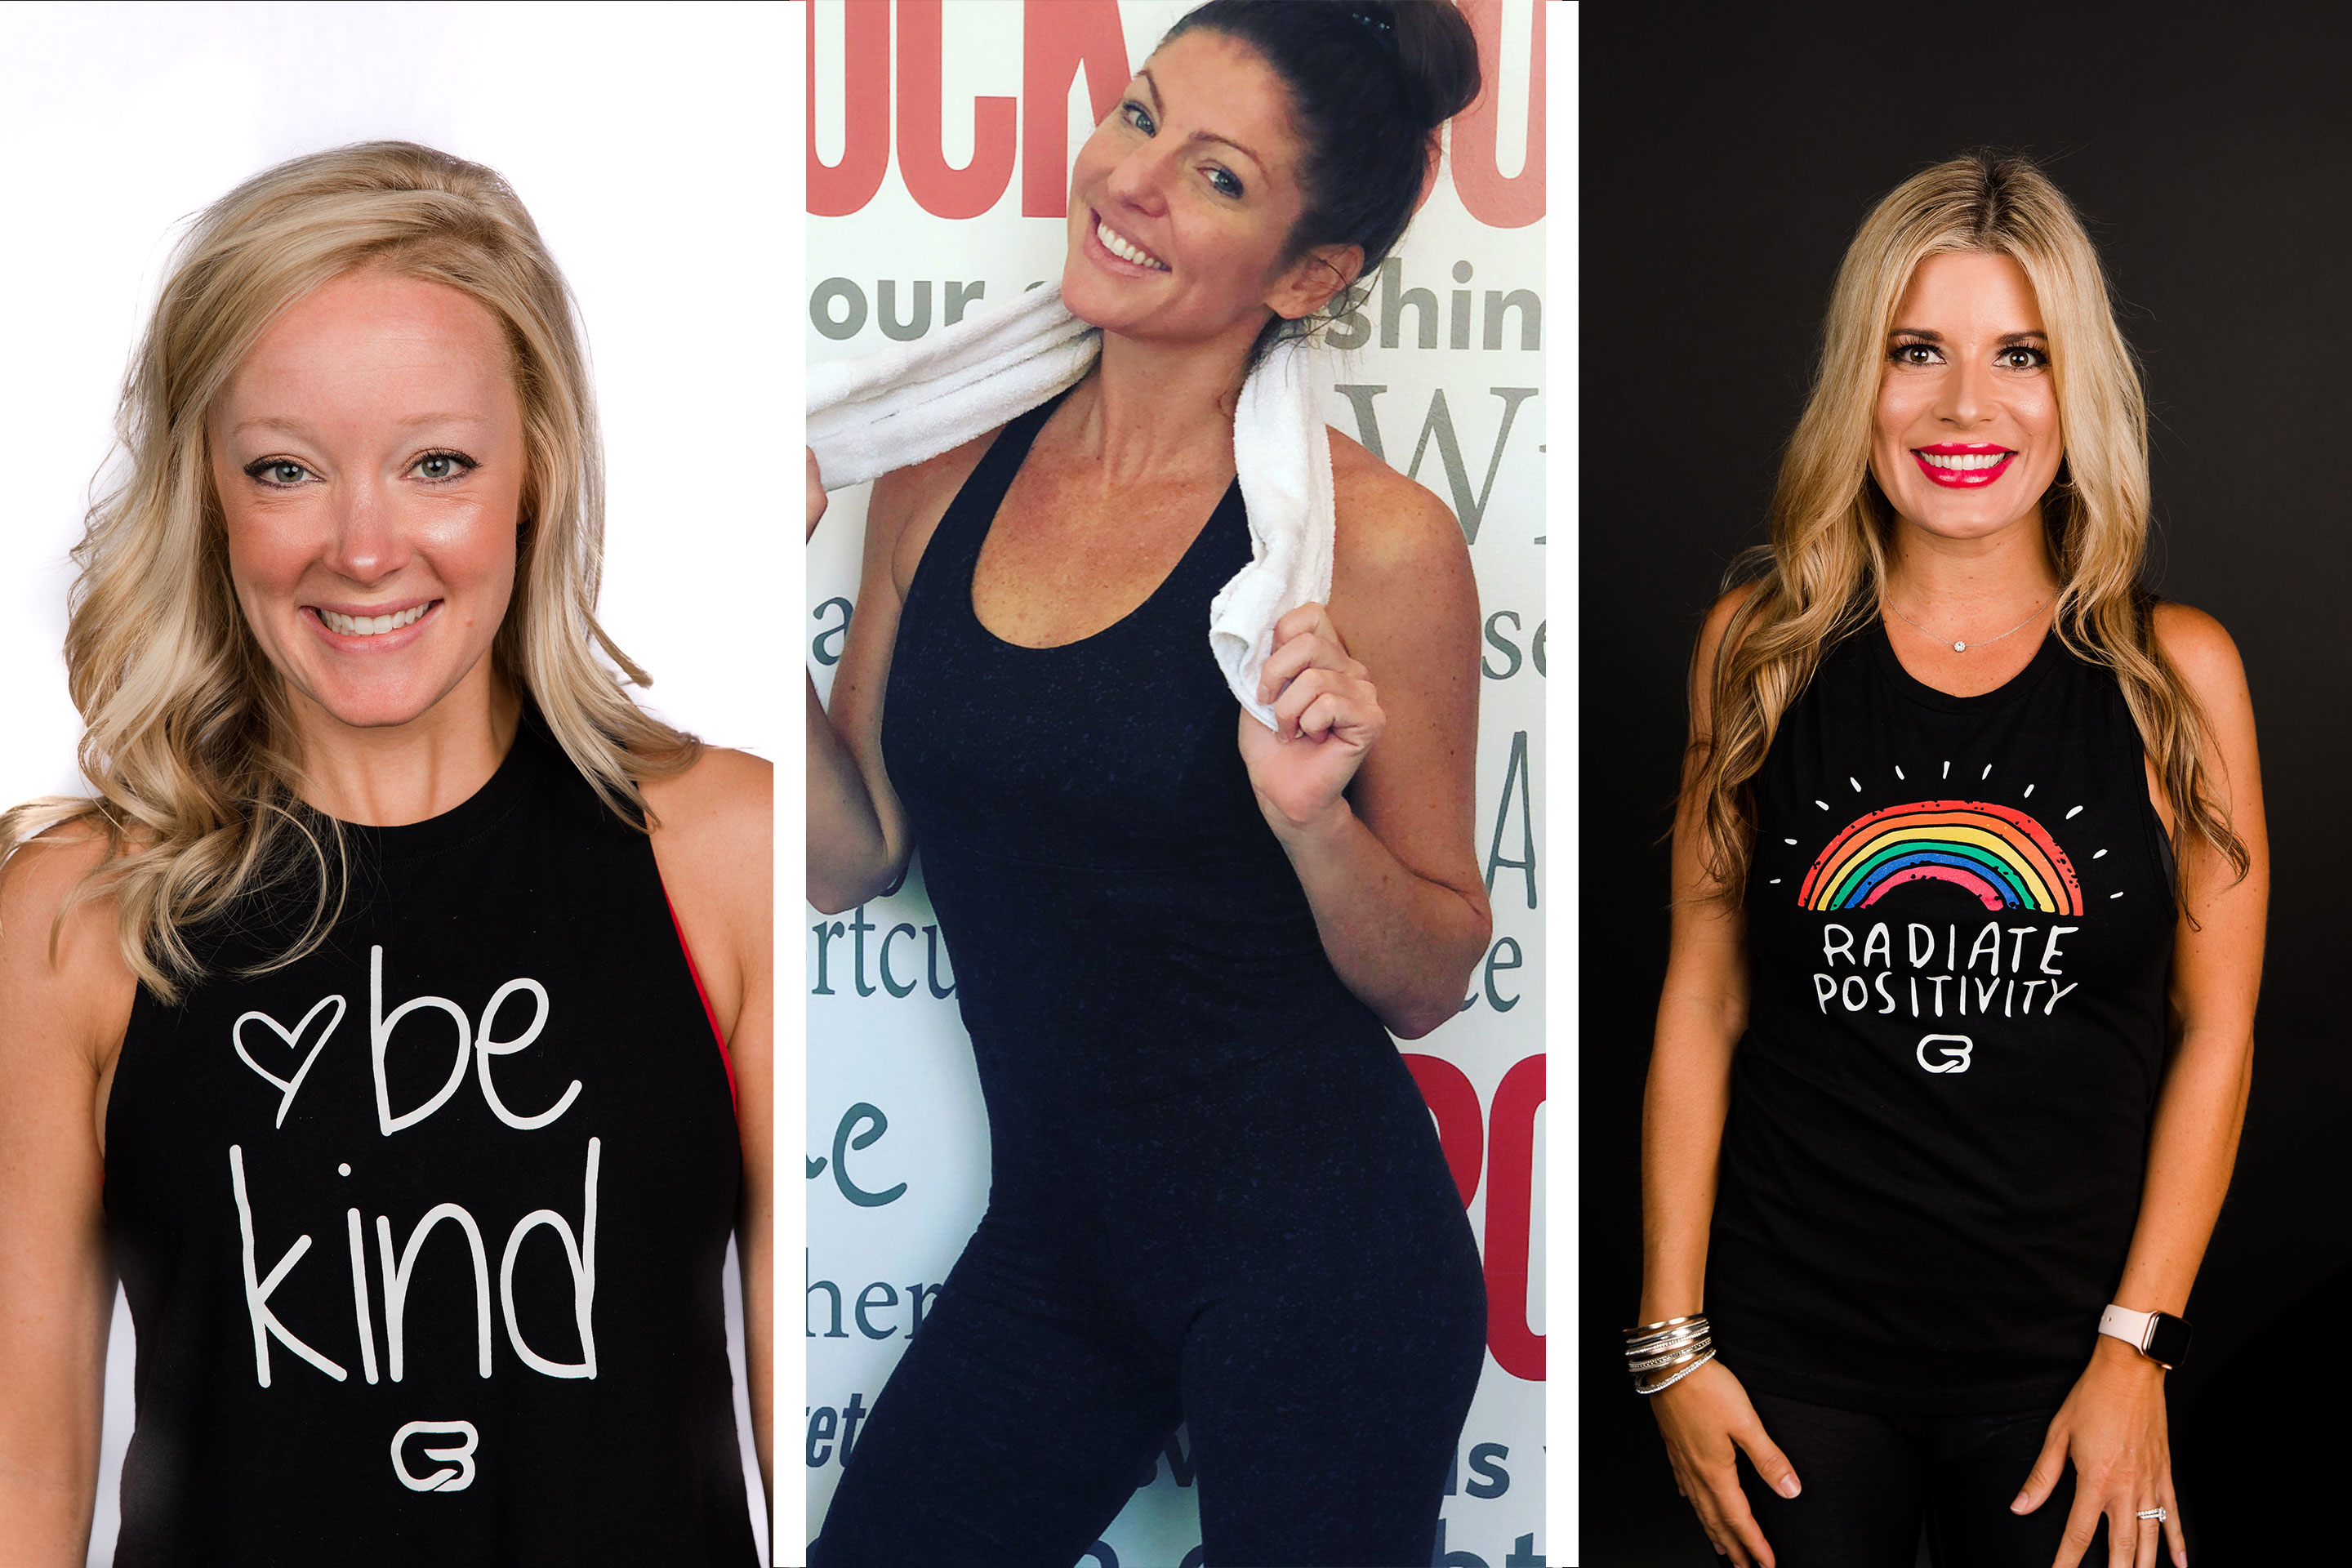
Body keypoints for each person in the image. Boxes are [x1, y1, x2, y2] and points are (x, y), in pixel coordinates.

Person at [0, 143, 772, 1565]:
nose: (363, 548)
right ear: (207, 494)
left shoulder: (722, 859)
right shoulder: (73, 920)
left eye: (437, 463)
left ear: (532, 474)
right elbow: (22, 1501)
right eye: (286, 469)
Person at [804, 2, 1490, 1564]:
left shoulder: (1369, 548)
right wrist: (733, 597)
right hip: (1059, 1254)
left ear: (1313, 276)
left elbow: (1436, 972)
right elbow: (855, 854)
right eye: (1136, 113)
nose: (1131, 179)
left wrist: (1314, 827)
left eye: (1221, 176)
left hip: (1326, 1268)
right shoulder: (932, 471)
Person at [1636, 152, 2267, 1568]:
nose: (1964, 406)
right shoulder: (1755, 650)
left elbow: (2216, 1026)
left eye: (2019, 356)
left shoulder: (2178, 674)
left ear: (2075, 388)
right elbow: (1704, 997)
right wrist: (1671, 1347)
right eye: (1914, 351)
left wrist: (2137, 1352)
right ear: (1860, 379)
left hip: (2065, 1374)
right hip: (1790, 1369)